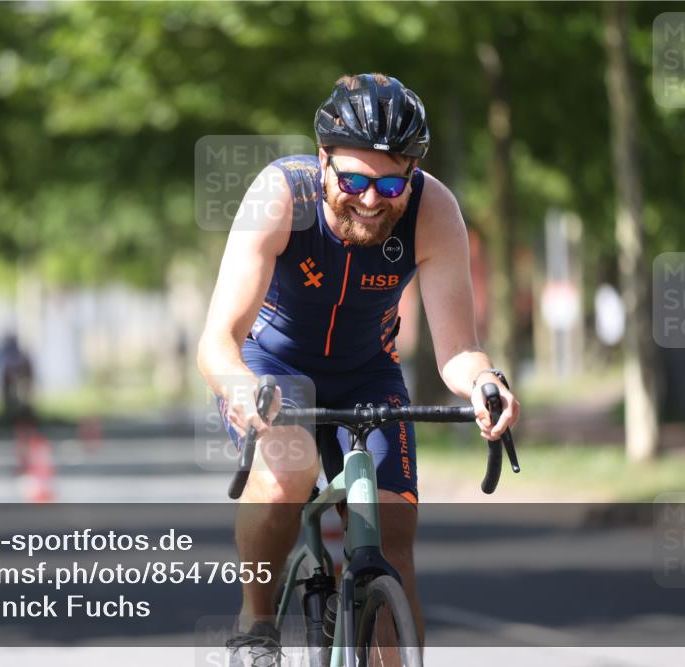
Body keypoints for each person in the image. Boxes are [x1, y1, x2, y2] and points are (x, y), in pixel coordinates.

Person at [197, 73, 521, 666]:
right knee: (288, 475)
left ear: (413, 173)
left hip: (369, 372)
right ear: (322, 161)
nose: (371, 200)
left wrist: (484, 382)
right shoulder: (281, 197)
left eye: (391, 183)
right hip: (273, 368)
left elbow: (458, 349)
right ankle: (256, 623)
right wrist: (242, 390)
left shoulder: (433, 210)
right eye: (353, 181)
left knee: (391, 542)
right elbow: (218, 341)